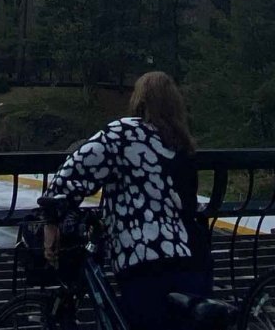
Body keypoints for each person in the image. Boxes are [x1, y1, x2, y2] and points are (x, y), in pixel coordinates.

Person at [41, 71, 210, 330]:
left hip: (142, 260)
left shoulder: (124, 133)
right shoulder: (182, 145)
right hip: (192, 260)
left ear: (139, 101)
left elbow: (75, 171)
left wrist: (51, 219)